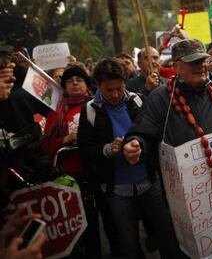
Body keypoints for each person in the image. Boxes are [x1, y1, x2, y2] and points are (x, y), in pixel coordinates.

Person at [123, 39, 212, 259]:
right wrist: (136, 143)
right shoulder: (159, 99)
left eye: (203, 61)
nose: (201, 66)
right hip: (185, 198)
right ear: (176, 67)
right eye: (192, 62)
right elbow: (143, 132)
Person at [78, 57, 184, 259]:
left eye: (119, 88)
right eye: (109, 90)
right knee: (128, 242)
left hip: (148, 183)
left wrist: (140, 146)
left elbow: (153, 137)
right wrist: (108, 149)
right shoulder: (89, 111)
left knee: (166, 234)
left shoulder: (138, 101)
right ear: (98, 86)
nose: (116, 94)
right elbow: (85, 150)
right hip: (116, 190)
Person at [41, 64, 101, 258]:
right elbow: (45, 146)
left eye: (80, 79)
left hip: (98, 173)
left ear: (87, 84)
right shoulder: (55, 112)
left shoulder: (98, 105)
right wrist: (63, 140)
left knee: (100, 224)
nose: (75, 83)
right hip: (69, 179)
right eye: (69, 81)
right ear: (64, 87)